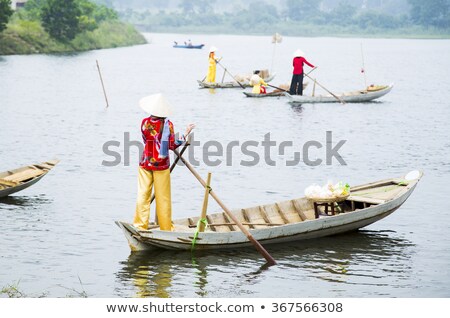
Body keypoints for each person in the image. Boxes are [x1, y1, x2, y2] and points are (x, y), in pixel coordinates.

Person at [133, 93, 195, 231]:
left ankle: (140, 225)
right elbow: (172, 145)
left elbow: (146, 139)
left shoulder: (144, 123)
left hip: (145, 162)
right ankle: (165, 227)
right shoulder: (167, 124)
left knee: (143, 195)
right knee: (163, 198)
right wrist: (185, 134)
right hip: (160, 166)